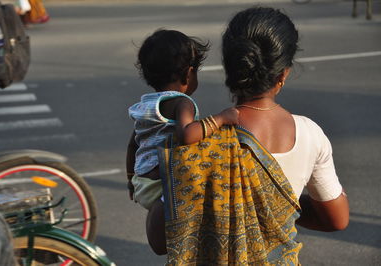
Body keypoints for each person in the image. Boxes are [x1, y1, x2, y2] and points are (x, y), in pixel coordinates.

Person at [145, 7, 349, 262]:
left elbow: (158, 240)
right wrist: (283, 206)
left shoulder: (200, 143)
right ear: (283, 73)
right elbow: (336, 219)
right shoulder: (310, 134)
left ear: (229, 69)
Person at [126, 29, 239, 248]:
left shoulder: (146, 105)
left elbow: (133, 144)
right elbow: (188, 134)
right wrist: (222, 118)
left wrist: (131, 180)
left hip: (142, 182)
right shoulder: (181, 103)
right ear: (188, 74)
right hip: (162, 184)